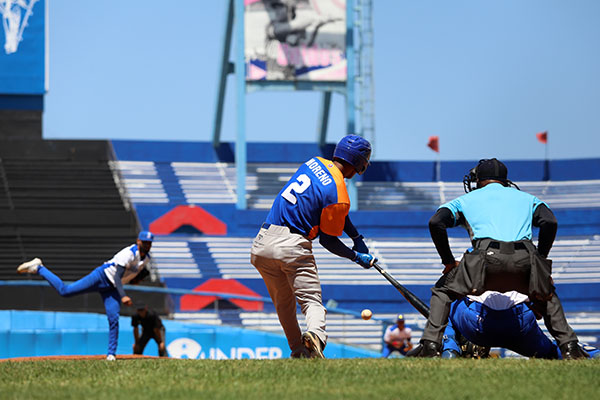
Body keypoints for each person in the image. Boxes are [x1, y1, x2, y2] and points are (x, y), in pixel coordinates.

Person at [409, 158, 587, 359]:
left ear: (480, 180)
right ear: (504, 180)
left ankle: (432, 346)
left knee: (443, 290)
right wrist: (540, 261)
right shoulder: (526, 198)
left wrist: (448, 261)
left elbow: (436, 222)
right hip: (524, 256)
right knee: (546, 294)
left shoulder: (467, 199)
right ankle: (569, 346)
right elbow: (550, 221)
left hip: (484, 257)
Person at [250, 134, 376, 358]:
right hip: (292, 245)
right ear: (360, 164)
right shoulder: (340, 193)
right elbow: (328, 240)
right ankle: (316, 335)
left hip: (262, 243)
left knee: (284, 304)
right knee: (311, 301)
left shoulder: (313, 163)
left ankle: (299, 351)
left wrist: (356, 237)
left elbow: (335, 210)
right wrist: (356, 256)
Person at [17, 231, 154, 361]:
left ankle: (111, 354)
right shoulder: (129, 253)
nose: (147, 245)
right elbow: (118, 277)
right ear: (138, 241)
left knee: (114, 318)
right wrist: (123, 295)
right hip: (101, 277)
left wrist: (135, 279)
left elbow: (133, 273)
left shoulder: (146, 258)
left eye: (149, 243)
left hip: (111, 288)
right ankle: (39, 268)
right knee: (65, 291)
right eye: (145, 242)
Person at [441, 290, 599, 360]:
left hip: (477, 322)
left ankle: (450, 349)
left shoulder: (471, 253)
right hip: (520, 322)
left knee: (447, 301)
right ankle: (589, 352)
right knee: (550, 352)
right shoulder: (531, 252)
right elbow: (543, 298)